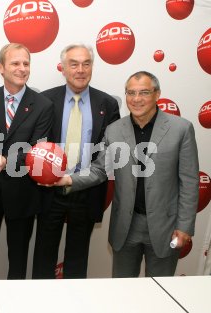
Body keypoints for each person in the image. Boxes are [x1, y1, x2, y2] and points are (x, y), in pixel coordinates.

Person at [52, 71, 199, 277]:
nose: (136, 99)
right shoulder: (114, 130)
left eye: (144, 92)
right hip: (126, 226)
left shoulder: (181, 129)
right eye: (131, 93)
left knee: (159, 294)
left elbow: (190, 182)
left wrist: (184, 227)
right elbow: (99, 169)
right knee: (122, 291)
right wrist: (66, 179)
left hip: (166, 228)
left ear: (157, 94)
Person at [32, 44, 120, 279]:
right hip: (49, 192)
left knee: (78, 260)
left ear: (92, 67)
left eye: (86, 63)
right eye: (74, 64)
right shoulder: (45, 100)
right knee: (43, 256)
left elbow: (109, 154)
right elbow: (35, 144)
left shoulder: (108, 104)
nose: (80, 70)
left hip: (87, 190)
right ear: (63, 68)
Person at [0, 43, 54, 279]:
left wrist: (4, 161)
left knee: (18, 259)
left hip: (23, 194)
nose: (22, 68)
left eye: (26, 63)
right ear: (1, 67)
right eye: (15, 63)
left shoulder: (44, 105)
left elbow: (37, 148)